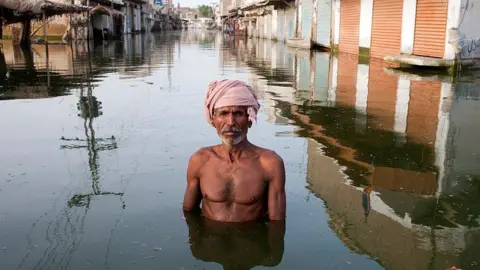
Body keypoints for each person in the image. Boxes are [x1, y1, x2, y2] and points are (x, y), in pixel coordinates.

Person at [183, 79, 286, 223]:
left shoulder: (269, 163)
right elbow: (189, 214)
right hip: (210, 243)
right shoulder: (200, 160)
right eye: (223, 113)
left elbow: (277, 223)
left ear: (250, 119)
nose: (230, 122)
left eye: (238, 113)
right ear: (213, 120)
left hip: (251, 242)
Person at [184, 211, 285, 270]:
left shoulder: (201, 251)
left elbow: (277, 221)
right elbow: (189, 213)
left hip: (251, 232)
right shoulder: (199, 251)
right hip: (250, 239)